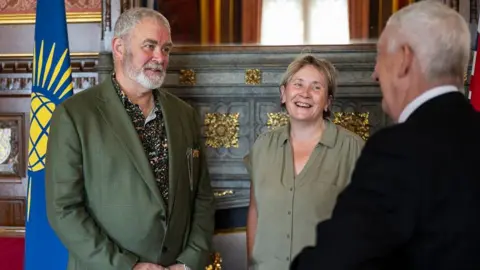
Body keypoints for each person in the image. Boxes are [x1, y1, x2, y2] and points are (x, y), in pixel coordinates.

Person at [291, 2, 480, 270]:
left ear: (404, 59)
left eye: (380, 56)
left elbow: (334, 261)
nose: (375, 74)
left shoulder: (396, 149)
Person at [45, 8, 215, 270]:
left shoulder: (184, 115)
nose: (160, 57)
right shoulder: (75, 116)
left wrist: (188, 262)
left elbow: (202, 198)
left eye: (166, 48)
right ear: (119, 47)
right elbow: (64, 209)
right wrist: (127, 266)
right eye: (150, 46)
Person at [244, 54, 365, 270]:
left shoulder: (353, 149)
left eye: (316, 87)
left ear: (328, 101)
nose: (305, 94)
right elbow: (255, 210)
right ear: (284, 93)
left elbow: (366, 225)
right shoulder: (262, 146)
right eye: (298, 84)